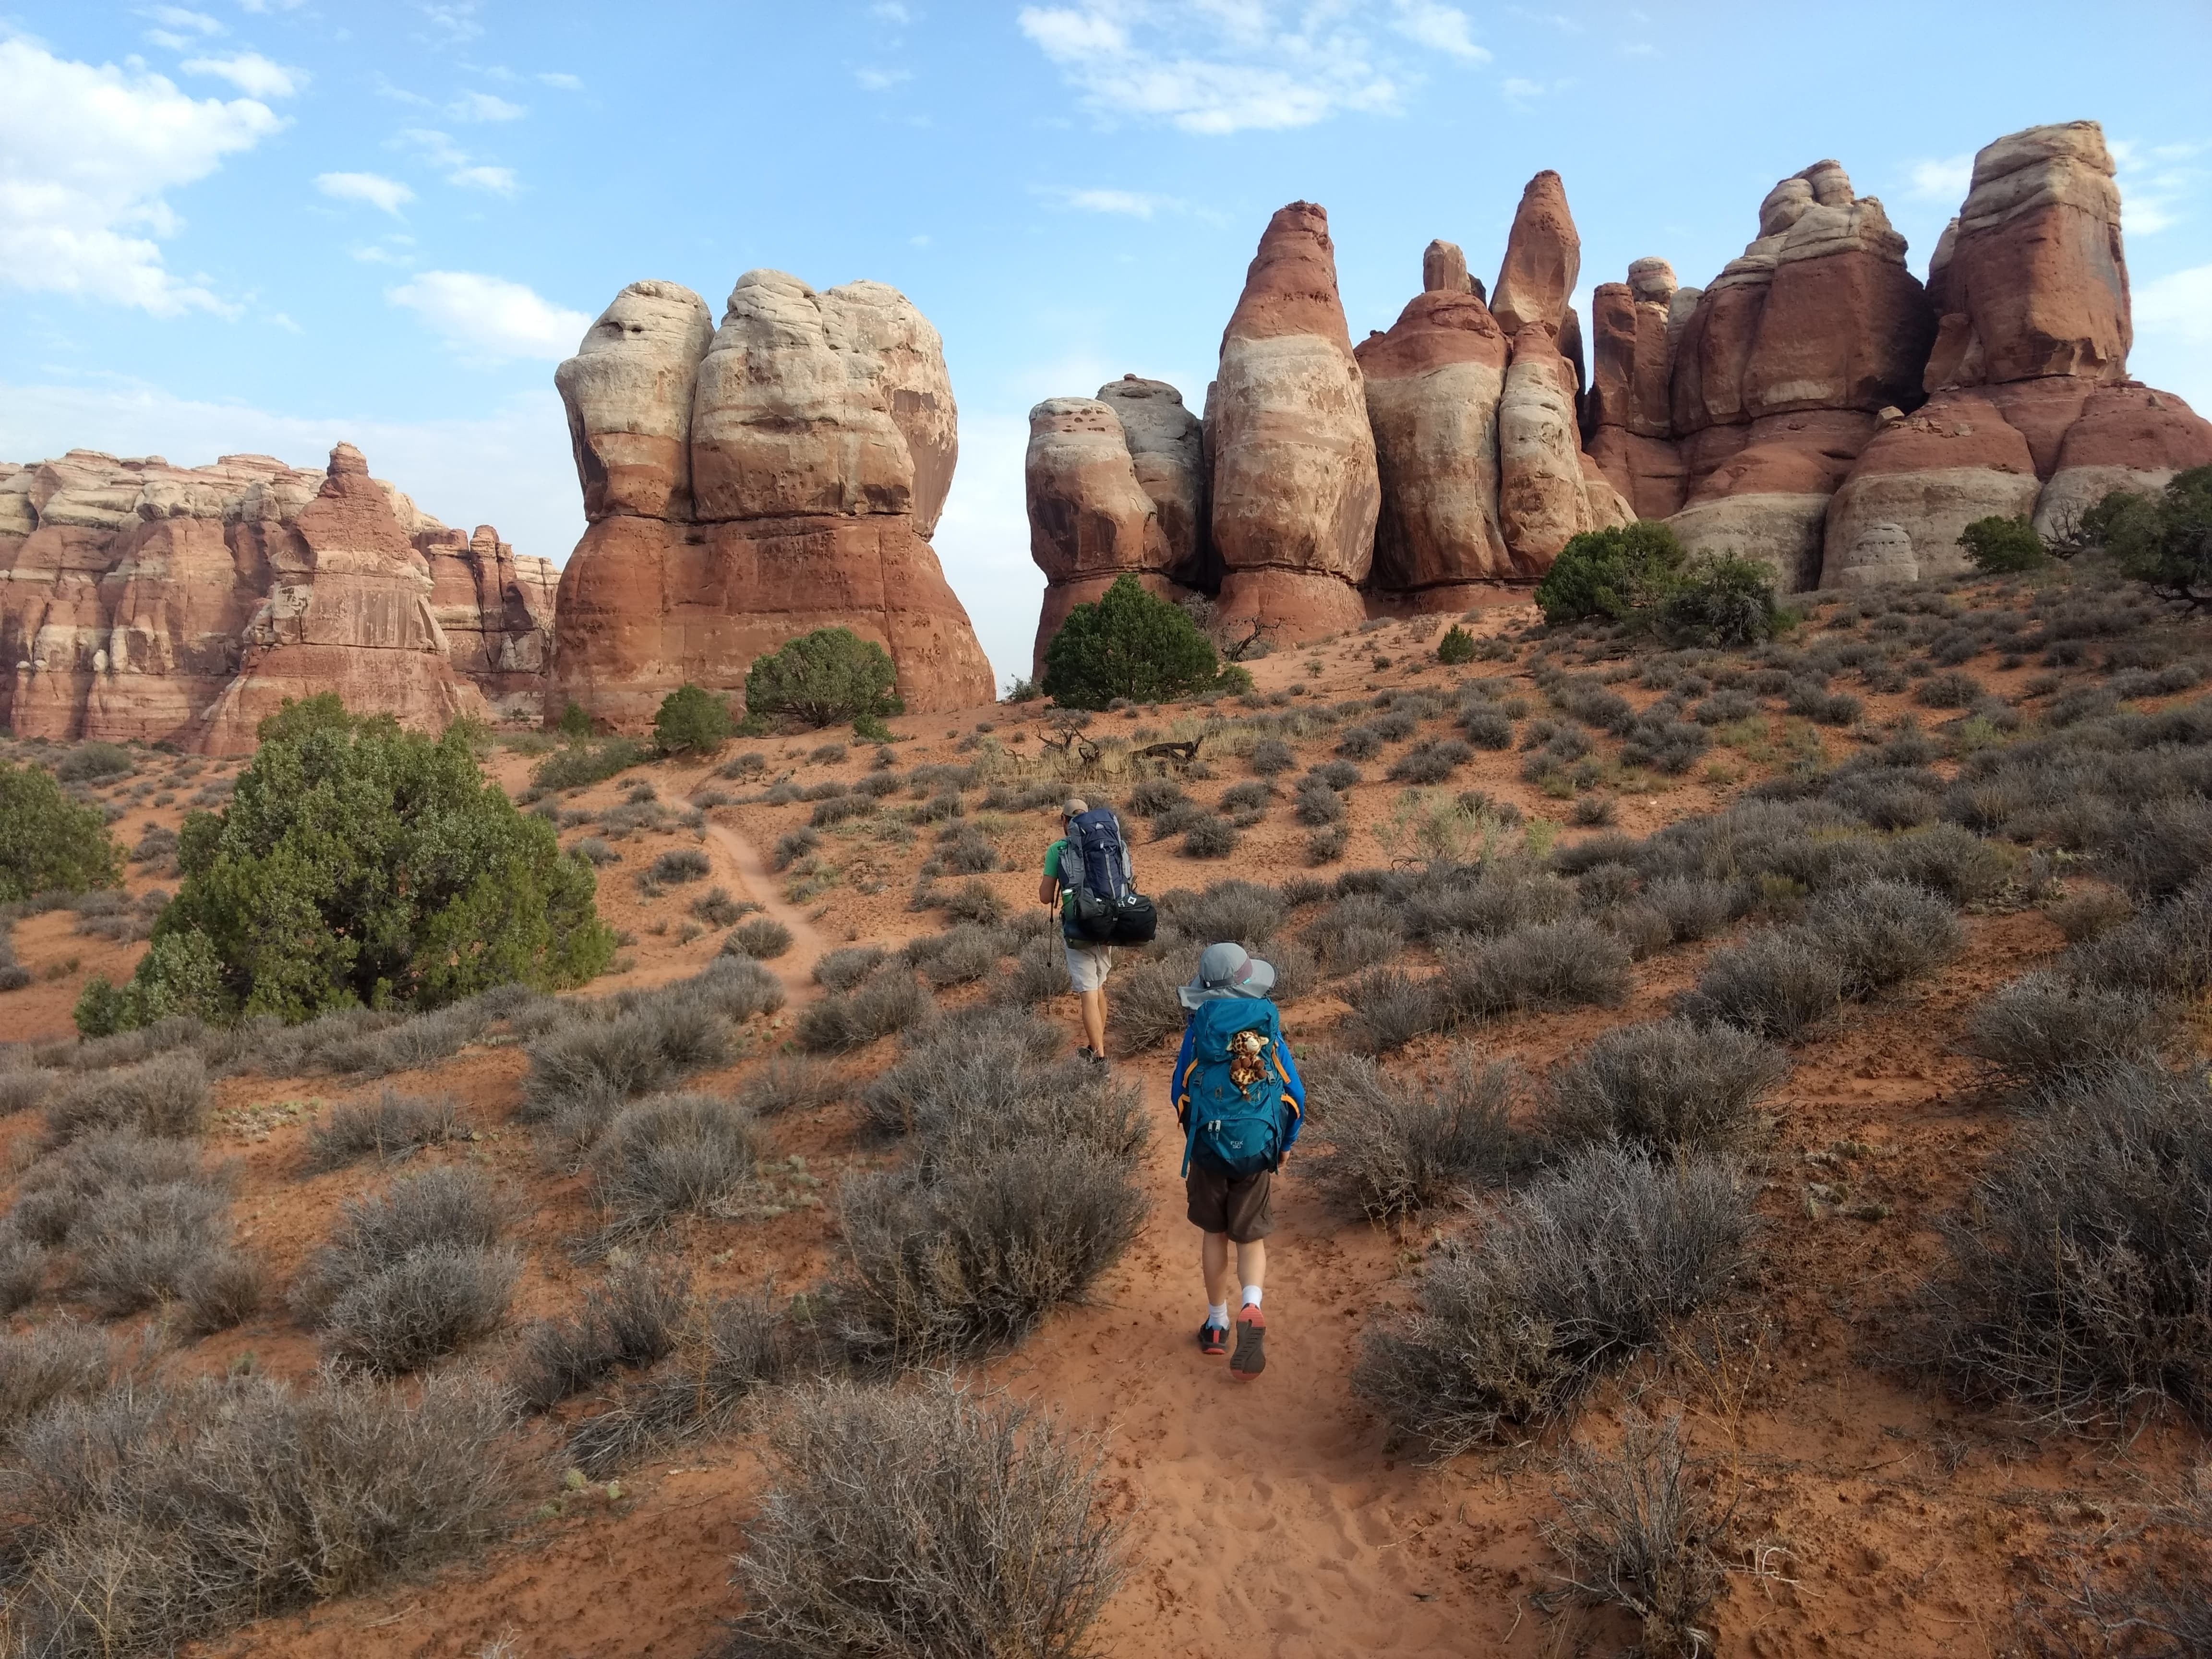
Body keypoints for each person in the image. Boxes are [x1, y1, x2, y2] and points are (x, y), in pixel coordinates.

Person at [1171, 941, 1305, 1381]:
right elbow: (1296, 1096)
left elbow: (1180, 1092)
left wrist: (1195, 1134)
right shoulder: (1266, 1031)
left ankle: (1216, 1324)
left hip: (1209, 1150)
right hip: (1256, 1150)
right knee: (1250, 1239)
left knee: (1215, 1233)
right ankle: (1252, 1304)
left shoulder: (1198, 1031)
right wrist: (1284, 1144)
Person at [1040, 796, 1112, 1066]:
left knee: (1088, 993)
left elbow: (1046, 897)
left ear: (1064, 821)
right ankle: (1098, 1045)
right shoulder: (1103, 845)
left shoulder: (1057, 850)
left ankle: (1099, 1056)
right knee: (1100, 986)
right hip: (1106, 924)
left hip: (1078, 927)